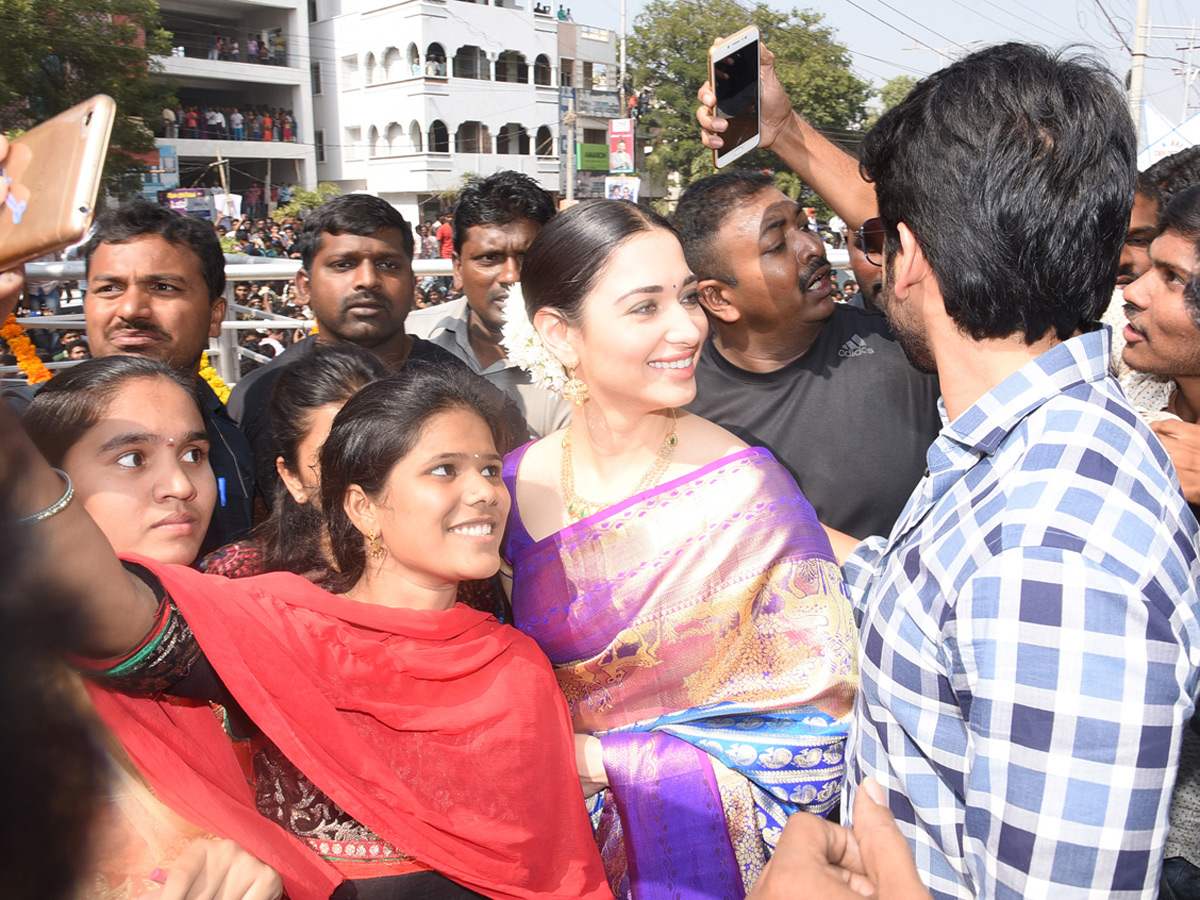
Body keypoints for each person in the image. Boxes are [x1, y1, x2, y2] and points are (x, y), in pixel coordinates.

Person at [699, 41, 1200, 898]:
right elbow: (925, 606)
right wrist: (750, 511)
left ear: (908, 255)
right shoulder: (1013, 447)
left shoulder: (1051, 554)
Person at [4, 352, 613, 900]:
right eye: (445, 470)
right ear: (362, 508)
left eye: (487, 469)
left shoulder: (514, 662)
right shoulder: (283, 626)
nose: (482, 491)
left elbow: (555, 872)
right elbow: (124, 623)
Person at [502, 200, 857, 898]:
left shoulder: (744, 491)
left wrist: (606, 761)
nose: (687, 326)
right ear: (558, 333)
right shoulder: (506, 488)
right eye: (646, 307)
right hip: (550, 849)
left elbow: (819, 732)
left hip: (707, 858)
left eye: (689, 298)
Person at [21, 355, 286, 900]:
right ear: (51, 488)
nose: (179, 486)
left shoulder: (262, 622)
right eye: (132, 458)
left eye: (194, 455)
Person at [674, 171, 941, 539]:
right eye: (776, 245)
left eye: (804, 225)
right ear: (718, 298)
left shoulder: (904, 346)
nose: (812, 247)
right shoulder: (678, 404)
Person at [227, 193, 503, 508]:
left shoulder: (464, 390)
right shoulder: (258, 396)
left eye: (388, 264)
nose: (368, 281)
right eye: (343, 265)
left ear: (412, 283)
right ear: (304, 286)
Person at [76, 200, 255, 557]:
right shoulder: (29, 430)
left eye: (163, 287)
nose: (130, 310)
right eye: (110, 288)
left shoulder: (231, 440)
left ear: (215, 316)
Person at [203, 342, 387, 583]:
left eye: (382, 450)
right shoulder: (235, 579)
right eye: (333, 457)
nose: (363, 472)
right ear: (293, 478)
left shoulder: (445, 566)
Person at [407, 171, 570, 438]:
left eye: (525, 257)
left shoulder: (580, 357)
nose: (511, 275)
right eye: (489, 258)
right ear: (458, 269)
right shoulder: (413, 338)